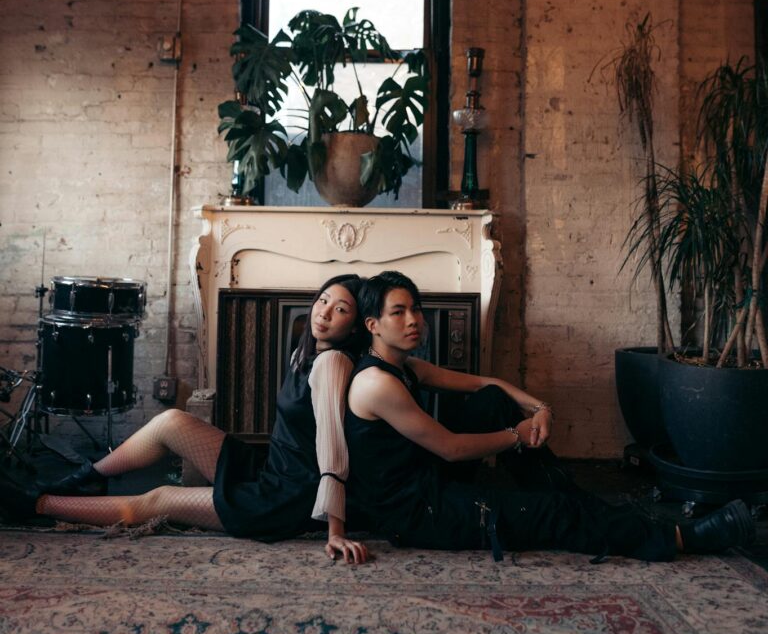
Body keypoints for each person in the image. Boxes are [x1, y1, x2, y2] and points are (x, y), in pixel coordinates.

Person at [345, 270, 755, 562]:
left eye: (416, 309)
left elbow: (485, 382)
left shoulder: (404, 366)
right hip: (417, 512)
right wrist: (518, 434)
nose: (414, 320)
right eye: (399, 312)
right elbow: (450, 449)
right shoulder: (376, 384)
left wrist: (540, 408)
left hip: (428, 480)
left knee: (491, 399)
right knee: (554, 514)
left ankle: (571, 498)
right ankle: (680, 537)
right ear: (373, 325)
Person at [0, 275, 370, 564]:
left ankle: (37, 504)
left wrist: (335, 530)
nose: (324, 312)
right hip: (271, 469)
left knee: (159, 499)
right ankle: (82, 481)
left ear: (355, 327)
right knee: (172, 421)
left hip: (284, 499)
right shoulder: (306, 353)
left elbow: (333, 445)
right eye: (323, 300)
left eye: (340, 309)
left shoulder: (332, 362)